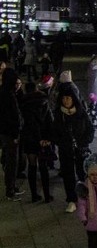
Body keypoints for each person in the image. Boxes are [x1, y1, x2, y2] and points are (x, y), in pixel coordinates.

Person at [51, 89, 94, 213]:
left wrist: (84, 141)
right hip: (66, 150)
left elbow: (90, 129)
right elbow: (54, 132)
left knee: (82, 173)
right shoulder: (59, 114)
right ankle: (71, 200)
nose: (66, 101)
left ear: (73, 99)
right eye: (64, 98)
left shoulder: (81, 112)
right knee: (68, 175)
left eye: (68, 98)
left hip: (81, 149)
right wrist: (61, 142)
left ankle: (85, 197)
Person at [19, 80, 53, 202]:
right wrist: (48, 138)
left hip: (30, 138)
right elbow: (50, 121)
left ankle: (34, 195)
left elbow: (23, 123)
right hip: (43, 138)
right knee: (43, 166)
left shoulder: (23, 104)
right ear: (36, 90)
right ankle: (47, 195)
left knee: (32, 166)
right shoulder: (44, 102)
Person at [0, 68, 24, 200]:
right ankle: (10, 190)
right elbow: (14, 116)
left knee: (11, 161)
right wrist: (15, 134)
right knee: (12, 162)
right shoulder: (8, 95)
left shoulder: (5, 92)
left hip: (5, 132)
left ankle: (12, 186)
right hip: (10, 134)